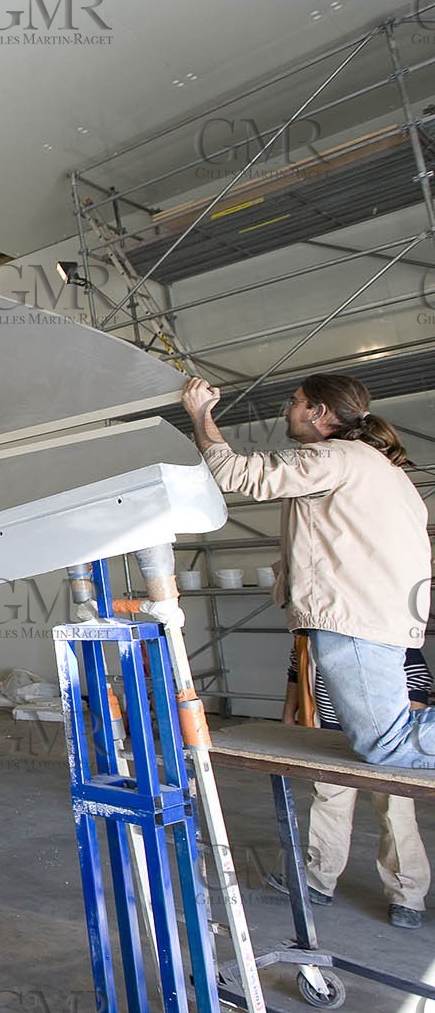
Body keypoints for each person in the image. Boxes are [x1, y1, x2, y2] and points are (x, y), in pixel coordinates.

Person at [180, 373, 433, 767]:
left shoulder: (331, 458)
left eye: (295, 401)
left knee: (386, 743)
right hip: (376, 614)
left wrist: (200, 414)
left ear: (318, 411)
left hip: (355, 618)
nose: (287, 408)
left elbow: (232, 473)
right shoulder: (378, 467)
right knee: (382, 740)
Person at [267, 646, 431, 928]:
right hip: (332, 734)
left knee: (395, 811)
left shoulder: (376, 624)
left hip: (385, 740)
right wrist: (288, 713)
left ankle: (407, 897)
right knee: (329, 803)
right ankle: (319, 880)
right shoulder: (307, 633)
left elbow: (417, 682)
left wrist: (408, 739)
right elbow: (296, 672)